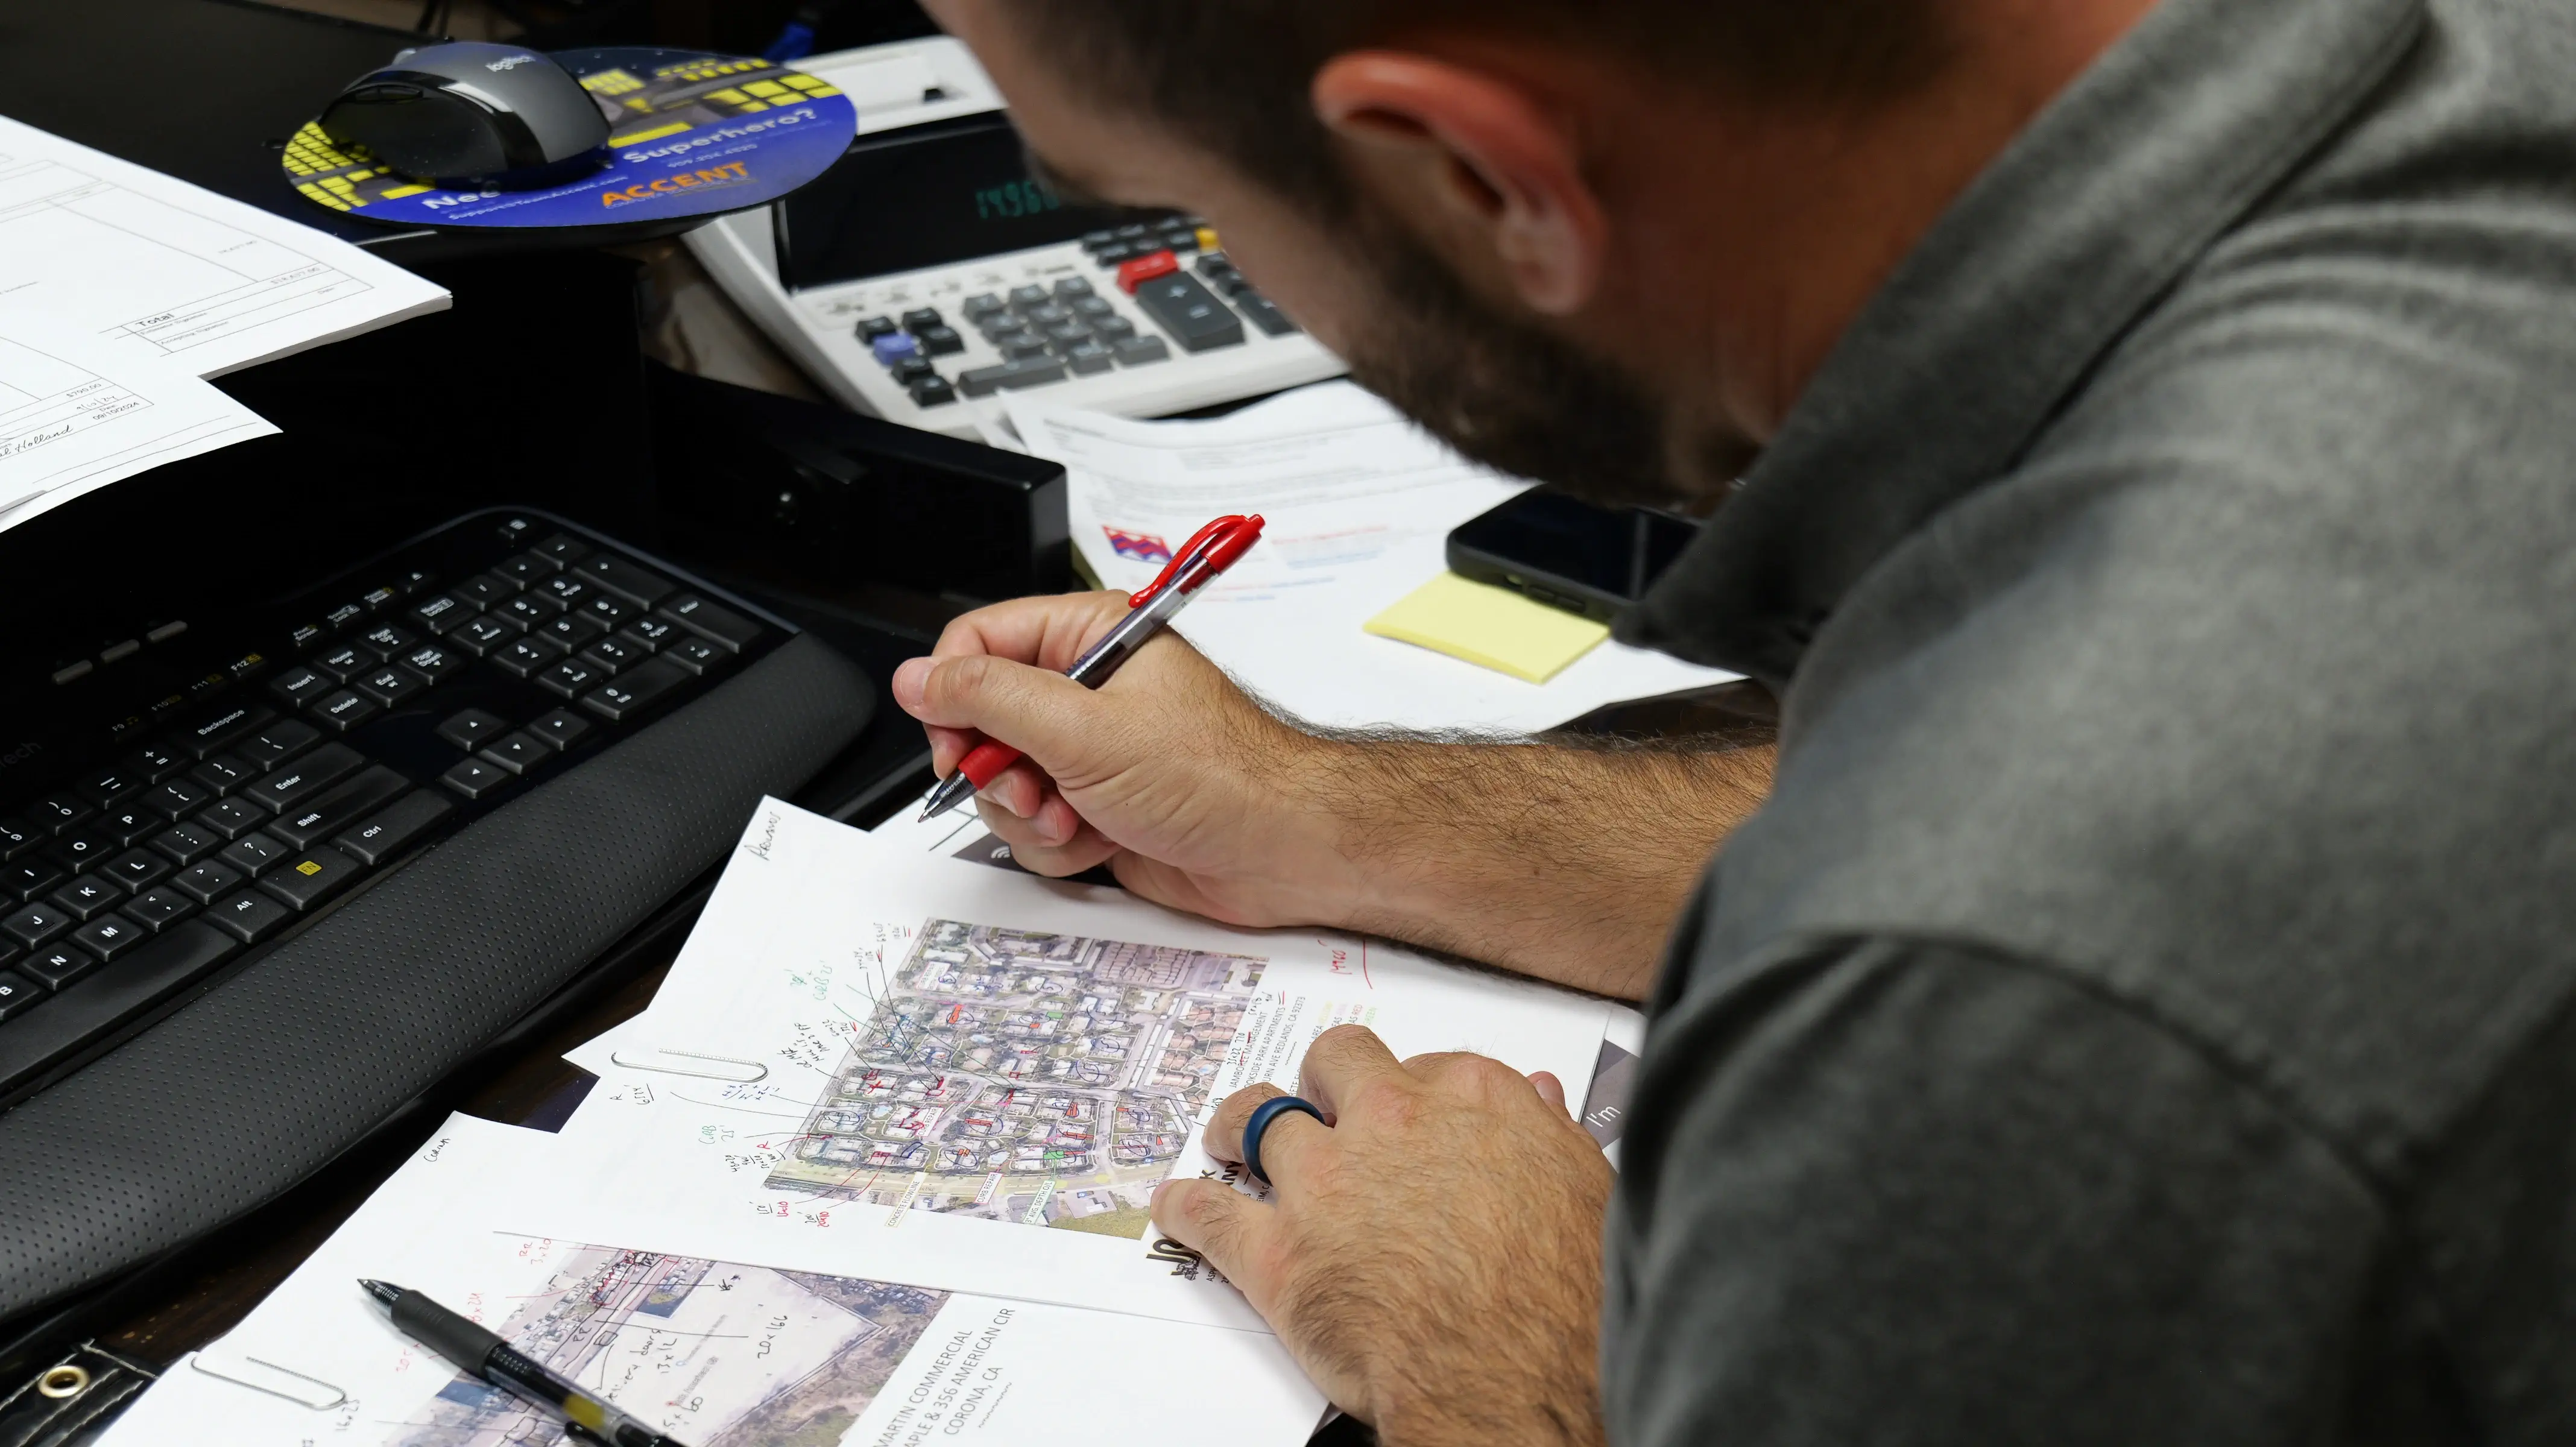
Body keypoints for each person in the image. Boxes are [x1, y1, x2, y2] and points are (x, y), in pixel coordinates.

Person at [894, 1, 2576, 1442]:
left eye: (1184, 209)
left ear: (1479, 177)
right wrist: (1335, 814)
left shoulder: (1997, 978)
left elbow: (2077, 908)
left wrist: (1525, 1361)